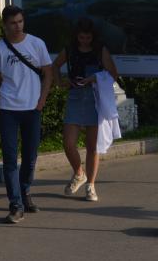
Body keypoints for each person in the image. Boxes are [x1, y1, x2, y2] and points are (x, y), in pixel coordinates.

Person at [0, 5, 53, 224]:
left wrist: (42, 99)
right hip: (8, 109)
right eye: (12, 23)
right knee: (9, 160)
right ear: (5, 25)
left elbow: (48, 72)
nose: (17, 26)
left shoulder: (37, 43)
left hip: (32, 109)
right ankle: (15, 205)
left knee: (30, 157)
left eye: (20, 21)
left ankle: (25, 192)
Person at [51, 17, 119, 203]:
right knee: (68, 143)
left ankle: (91, 185)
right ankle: (79, 173)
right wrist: (60, 83)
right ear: (77, 36)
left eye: (88, 38)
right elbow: (55, 65)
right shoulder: (70, 49)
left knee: (92, 146)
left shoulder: (100, 50)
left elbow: (113, 73)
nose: (85, 41)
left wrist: (93, 79)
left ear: (93, 36)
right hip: (74, 96)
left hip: (94, 98)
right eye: (82, 37)